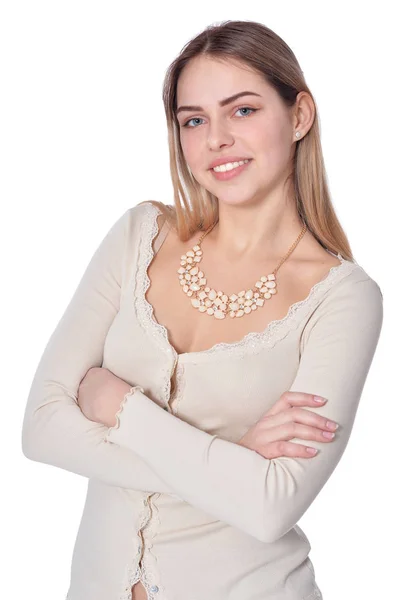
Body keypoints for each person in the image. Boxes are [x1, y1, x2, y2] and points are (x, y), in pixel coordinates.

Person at [21, 19, 383, 600]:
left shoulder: (342, 298)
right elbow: (39, 429)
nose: (216, 138)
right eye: (194, 120)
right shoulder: (141, 236)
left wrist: (124, 410)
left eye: (242, 110)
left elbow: (270, 508)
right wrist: (232, 464)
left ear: (299, 116)